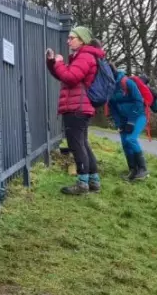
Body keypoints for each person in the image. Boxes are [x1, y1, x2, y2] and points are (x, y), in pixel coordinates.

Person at [46, 26, 106, 194]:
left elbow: (70, 78)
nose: (68, 40)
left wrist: (58, 62)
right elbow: (64, 75)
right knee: (83, 144)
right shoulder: (83, 56)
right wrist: (52, 63)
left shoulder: (85, 56)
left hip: (77, 107)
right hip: (80, 107)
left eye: (71, 38)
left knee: (76, 145)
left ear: (82, 40)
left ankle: (82, 184)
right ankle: (93, 181)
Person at [108, 66, 149, 181]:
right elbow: (113, 108)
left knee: (131, 139)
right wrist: (119, 124)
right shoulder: (109, 87)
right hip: (124, 119)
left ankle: (143, 169)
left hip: (139, 116)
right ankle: (133, 170)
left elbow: (138, 101)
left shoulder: (127, 83)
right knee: (125, 143)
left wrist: (131, 121)